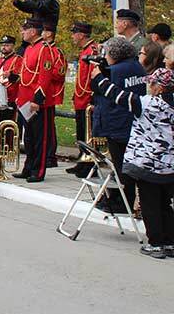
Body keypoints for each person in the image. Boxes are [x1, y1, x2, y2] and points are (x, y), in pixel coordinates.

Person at [91, 67, 174, 258]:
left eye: (151, 83)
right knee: (165, 204)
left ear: (159, 87)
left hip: (147, 164)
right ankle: (170, 241)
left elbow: (116, 95)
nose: (148, 85)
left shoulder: (146, 103)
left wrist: (99, 78)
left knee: (149, 204)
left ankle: (155, 243)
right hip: (169, 165)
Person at [90, 37, 147, 213]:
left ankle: (122, 203)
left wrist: (98, 75)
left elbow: (100, 90)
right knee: (125, 165)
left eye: (106, 53)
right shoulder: (137, 66)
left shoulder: (114, 71)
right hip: (131, 122)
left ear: (114, 54)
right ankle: (121, 200)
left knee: (121, 167)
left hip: (116, 123)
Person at [12, 18, 55, 183]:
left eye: (25, 29)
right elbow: (28, 73)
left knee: (39, 137)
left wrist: (38, 99)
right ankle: (28, 167)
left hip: (35, 101)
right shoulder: (29, 48)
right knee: (28, 137)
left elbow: (45, 76)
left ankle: (38, 170)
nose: (22, 32)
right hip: (24, 99)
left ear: (33, 31)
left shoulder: (43, 49)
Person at [67, 22, 100, 177]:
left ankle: (89, 164)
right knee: (81, 132)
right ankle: (82, 161)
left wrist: (93, 97)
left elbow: (94, 76)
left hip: (87, 98)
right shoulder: (84, 51)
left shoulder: (92, 50)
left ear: (80, 34)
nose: (73, 37)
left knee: (88, 133)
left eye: (74, 33)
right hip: (80, 98)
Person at [43, 23, 66, 167]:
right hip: (43, 92)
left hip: (50, 92)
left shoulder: (56, 52)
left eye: (44, 31)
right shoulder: (44, 50)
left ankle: (50, 156)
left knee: (49, 126)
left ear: (49, 33)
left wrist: (44, 74)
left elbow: (59, 73)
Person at [0, 35, 22, 129]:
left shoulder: (18, 59)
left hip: (12, 98)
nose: (4, 47)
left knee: (10, 126)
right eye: (2, 45)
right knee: (1, 125)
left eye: (7, 45)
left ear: (13, 46)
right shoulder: (0, 61)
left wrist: (11, 76)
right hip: (1, 98)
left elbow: (20, 78)